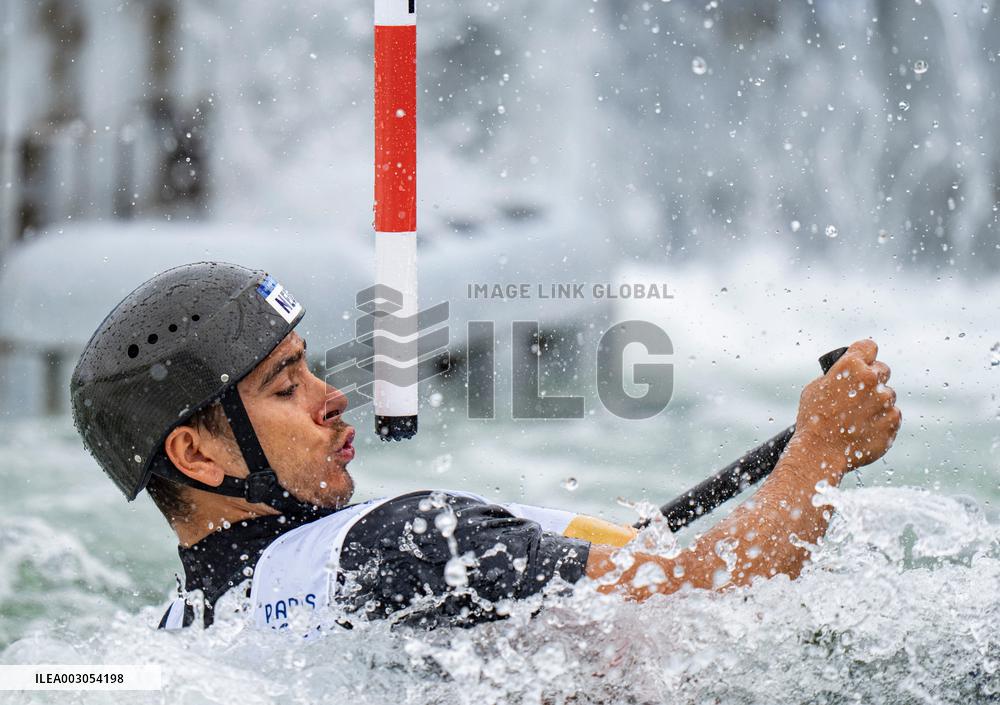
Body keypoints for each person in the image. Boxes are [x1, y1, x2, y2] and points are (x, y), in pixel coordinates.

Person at [70, 262, 901, 631]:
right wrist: (817, 454)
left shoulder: (179, 631)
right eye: (286, 386)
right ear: (197, 454)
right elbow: (707, 595)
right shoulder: (408, 544)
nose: (333, 396)